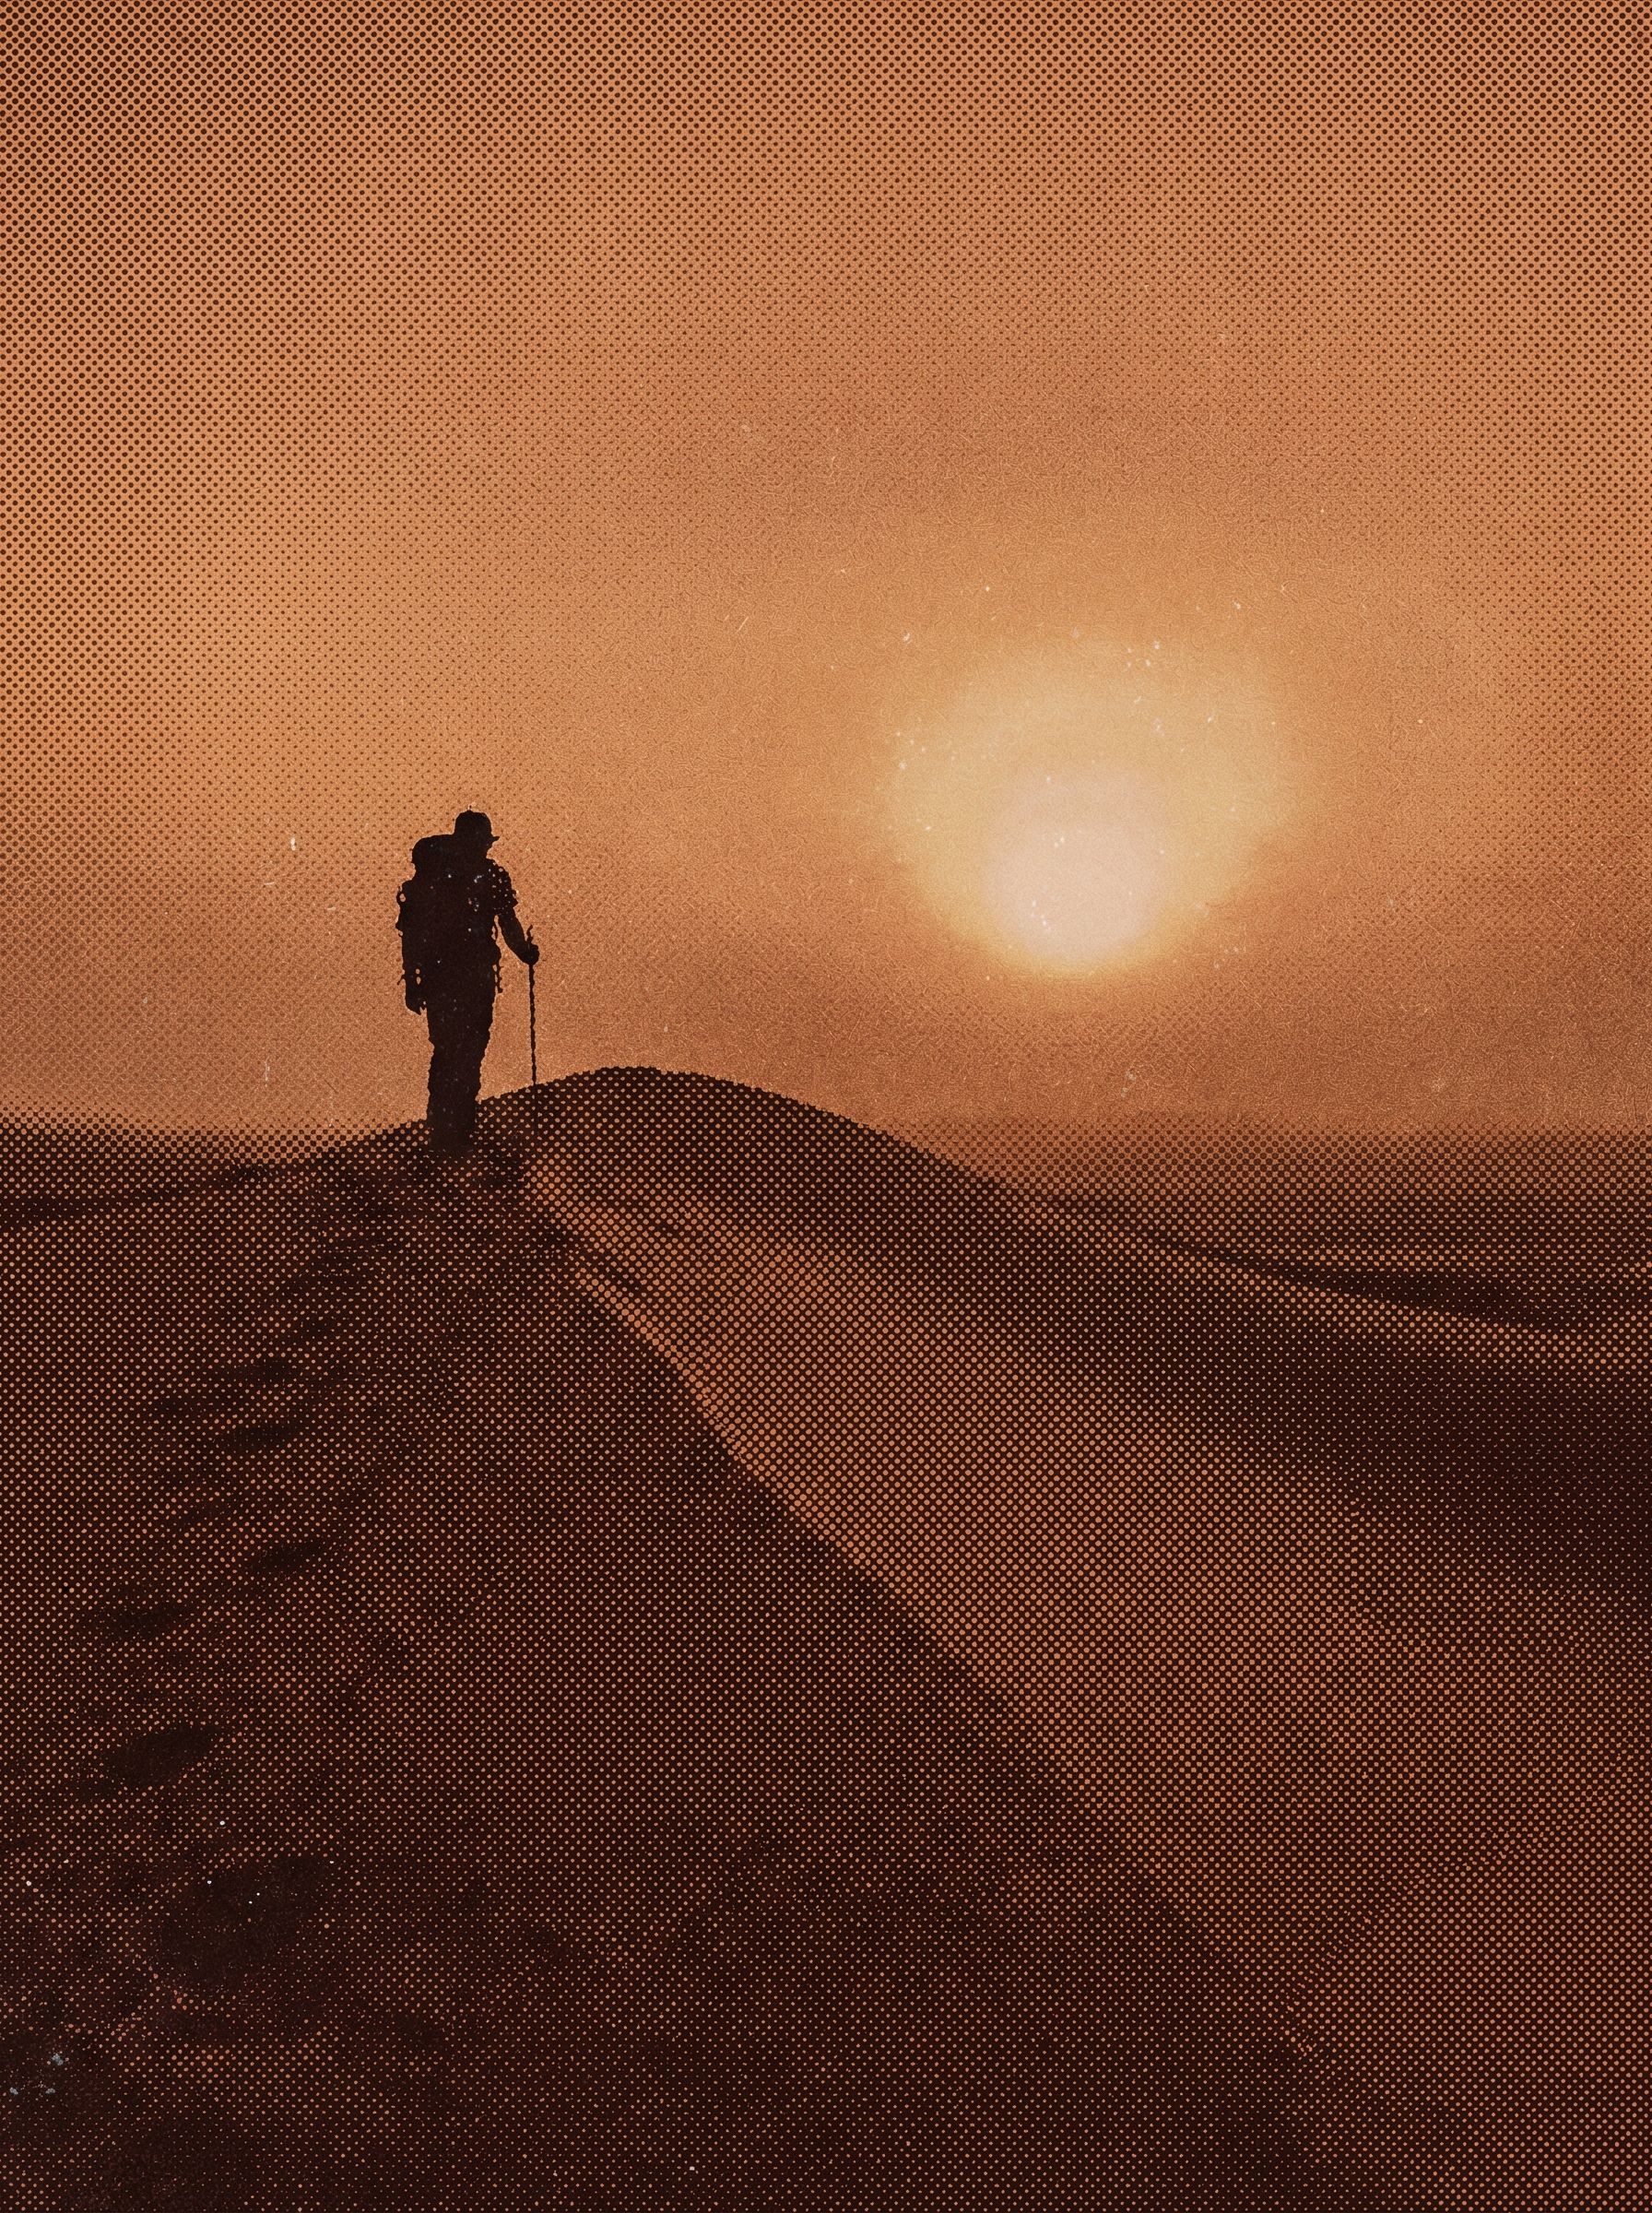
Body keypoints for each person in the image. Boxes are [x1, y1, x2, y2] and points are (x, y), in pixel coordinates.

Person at [397, 810, 539, 1154]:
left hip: (444, 978)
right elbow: (507, 923)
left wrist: (413, 983)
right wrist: (524, 951)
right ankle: (455, 1132)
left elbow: (411, 934)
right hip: (468, 978)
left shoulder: (435, 879)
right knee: (464, 1053)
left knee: (453, 1052)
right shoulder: (489, 876)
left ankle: (447, 1132)